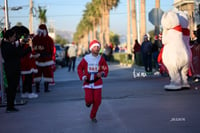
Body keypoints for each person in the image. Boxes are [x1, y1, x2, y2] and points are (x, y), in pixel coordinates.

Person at [77, 40, 109, 123]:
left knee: (97, 101)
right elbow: (79, 68)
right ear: (91, 48)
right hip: (87, 83)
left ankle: (93, 116)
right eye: (95, 47)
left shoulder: (101, 59)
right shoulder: (86, 58)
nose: (97, 48)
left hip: (97, 83)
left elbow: (105, 68)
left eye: (98, 47)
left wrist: (102, 73)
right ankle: (88, 102)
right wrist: (83, 76)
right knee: (89, 99)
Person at [1, 28, 31, 112]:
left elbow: (17, 52)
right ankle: (10, 107)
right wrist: (29, 48)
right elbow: (19, 54)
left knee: (12, 88)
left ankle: (11, 106)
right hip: (12, 69)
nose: (15, 38)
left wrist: (21, 44)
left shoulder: (7, 44)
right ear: (9, 37)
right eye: (14, 36)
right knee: (11, 88)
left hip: (12, 68)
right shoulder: (7, 46)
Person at [32, 24, 55, 93]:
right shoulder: (49, 39)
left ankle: (37, 88)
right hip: (46, 59)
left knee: (37, 74)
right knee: (47, 74)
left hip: (37, 59)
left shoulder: (35, 38)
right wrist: (50, 56)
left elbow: (33, 48)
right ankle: (46, 88)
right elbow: (51, 49)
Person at [20, 29, 39, 99]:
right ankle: (29, 92)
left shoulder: (26, 46)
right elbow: (26, 56)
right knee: (28, 80)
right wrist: (33, 56)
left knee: (26, 80)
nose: (31, 40)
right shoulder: (26, 47)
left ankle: (25, 92)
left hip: (28, 66)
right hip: (27, 66)